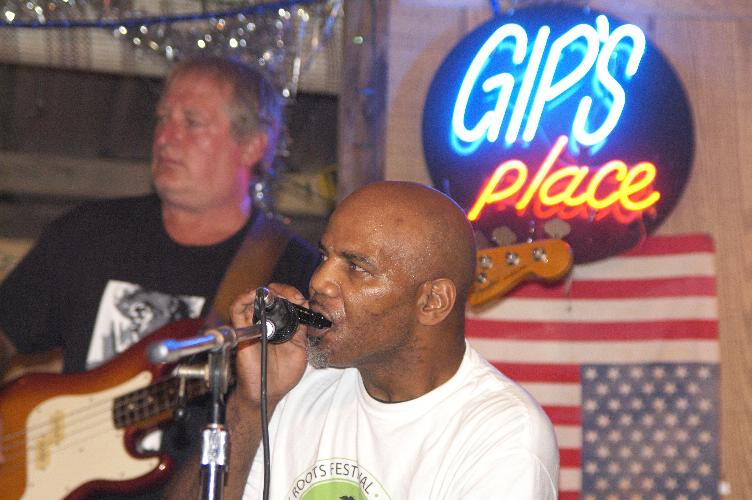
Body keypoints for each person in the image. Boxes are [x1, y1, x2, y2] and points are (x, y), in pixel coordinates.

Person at [0, 56, 319, 498]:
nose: (166, 137)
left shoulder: (291, 271)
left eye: (192, 122)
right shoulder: (87, 232)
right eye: (162, 118)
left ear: (252, 145)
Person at [167, 181, 559, 499]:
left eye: (356, 267)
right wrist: (252, 402)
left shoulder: (501, 432)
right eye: (325, 256)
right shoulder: (299, 384)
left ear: (432, 302)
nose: (320, 281)